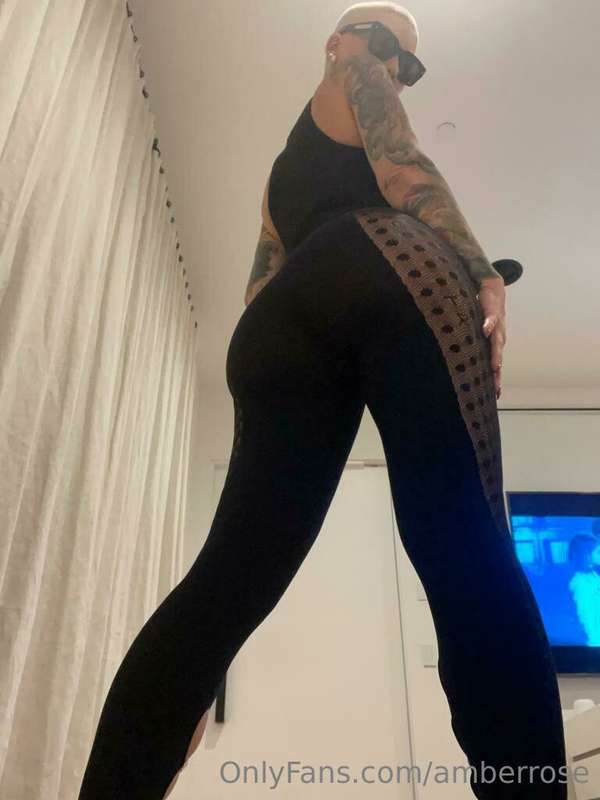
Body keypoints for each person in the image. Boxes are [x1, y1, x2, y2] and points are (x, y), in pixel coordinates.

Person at [78, 3, 568, 798]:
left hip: (274, 327)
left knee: (227, 582)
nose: (396, 69)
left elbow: (265, 286)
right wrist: (481, 271)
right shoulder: (355, 73)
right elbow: (400, 162)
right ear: (337, 43)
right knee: (468, 550)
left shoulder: (283, 177)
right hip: (392, 259)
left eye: (410, 64)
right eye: (386, 45)